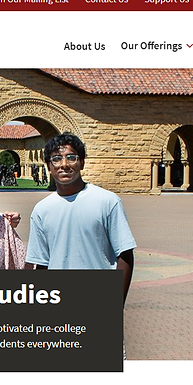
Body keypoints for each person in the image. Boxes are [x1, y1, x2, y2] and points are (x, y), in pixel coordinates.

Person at [25, 133, 136, 358]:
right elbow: (39, 264)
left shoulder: (107, 201)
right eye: (56, 159)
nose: (64, 164)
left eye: (71, 157)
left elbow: (125, 254)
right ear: (48, 166)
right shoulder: (42, 210)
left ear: (82, 162)